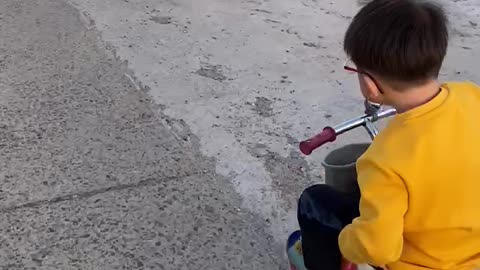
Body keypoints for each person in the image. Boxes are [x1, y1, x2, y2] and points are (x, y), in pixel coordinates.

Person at [288, 0, 480, 269]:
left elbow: (379, 248)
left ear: (369, 85)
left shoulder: (384, 159)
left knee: (316, 202)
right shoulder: (471, 95)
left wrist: (346, 240)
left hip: (421, 262)